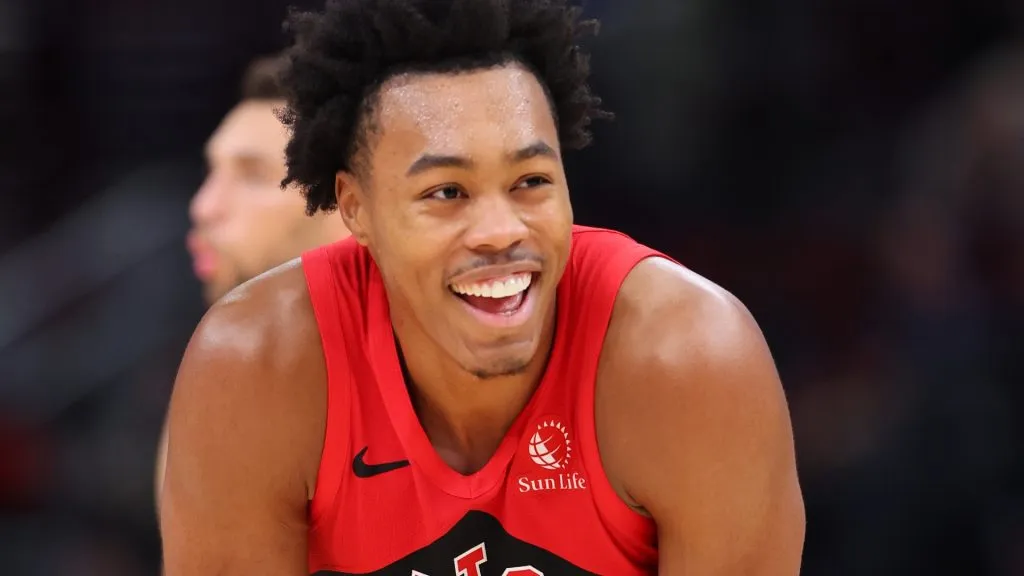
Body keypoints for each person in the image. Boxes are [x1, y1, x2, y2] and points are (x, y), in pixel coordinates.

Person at [159, 0, 805, 574]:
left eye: (531, 181)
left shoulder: (691, 362)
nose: (500, 231)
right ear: (355, 210)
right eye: (447, 193)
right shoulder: (256, 368)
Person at [153, 53, 350, 501]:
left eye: (252, 176)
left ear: (351, 205)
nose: (203, 207)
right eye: (211, 172)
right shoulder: (214, 398)